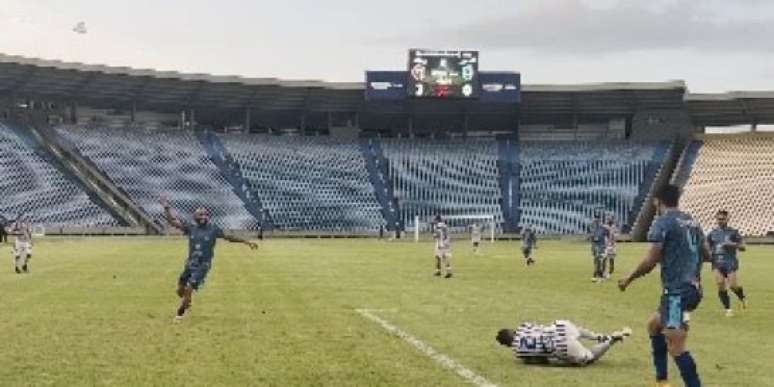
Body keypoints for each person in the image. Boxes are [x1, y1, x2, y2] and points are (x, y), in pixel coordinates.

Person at [618, 185, 711, 387]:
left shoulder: (663, 222)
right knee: (654, 325)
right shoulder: (692, 221)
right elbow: (706, 254)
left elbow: (651, 261)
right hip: (691, 288)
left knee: (676, 345)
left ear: (657, 201)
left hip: (677, 292)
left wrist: (629, 278)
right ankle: (662, 381)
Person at [160, 194, 258, 323]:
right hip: (190, 264)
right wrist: (166, 207)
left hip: (203, 265)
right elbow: (172, 221)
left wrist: (246, 241)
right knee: (180, 290)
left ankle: (180, 313)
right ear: (194, 217)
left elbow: (229, 237)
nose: (203, 217)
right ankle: (187, 301)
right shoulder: (191, 228)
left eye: (205, 214)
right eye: (200, 215)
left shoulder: (213, 229)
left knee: (189, 288)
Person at [496, 320, 631, 366]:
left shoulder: (518, 352)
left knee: (589, 358)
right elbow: (539, 327)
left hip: (560, 347)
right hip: (559, 327)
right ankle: (598, 336)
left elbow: (542, 360)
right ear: (512, 331)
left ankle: (611, 340)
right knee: (576, 330)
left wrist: (562, 361)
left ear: (507, 345)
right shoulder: (523, 326)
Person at [707, 210, 747, 317]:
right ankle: (728, 309)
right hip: (716, 263)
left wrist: (732, 244)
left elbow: (743, 247)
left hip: (730, 262)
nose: (720, 221)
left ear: (727, 219)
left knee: (733, 286)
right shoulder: (712, 233)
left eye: (723, 219)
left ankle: (741, 296)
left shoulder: (733, 232)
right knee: (720, 284)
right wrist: (707, 254)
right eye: (718, 219)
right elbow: (707, 246)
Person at [588, 214, 608, 282]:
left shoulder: (603, 228)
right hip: (595, 247)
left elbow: (608, 235)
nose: (595, 221)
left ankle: (597, 276)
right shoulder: (592, 228)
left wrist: (608, 245)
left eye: (597, 219)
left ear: (599, 220)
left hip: (601, 247)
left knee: (600, 262)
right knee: (596, 261)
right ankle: (599, 275)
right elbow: (591, 238)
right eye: (595, 219)